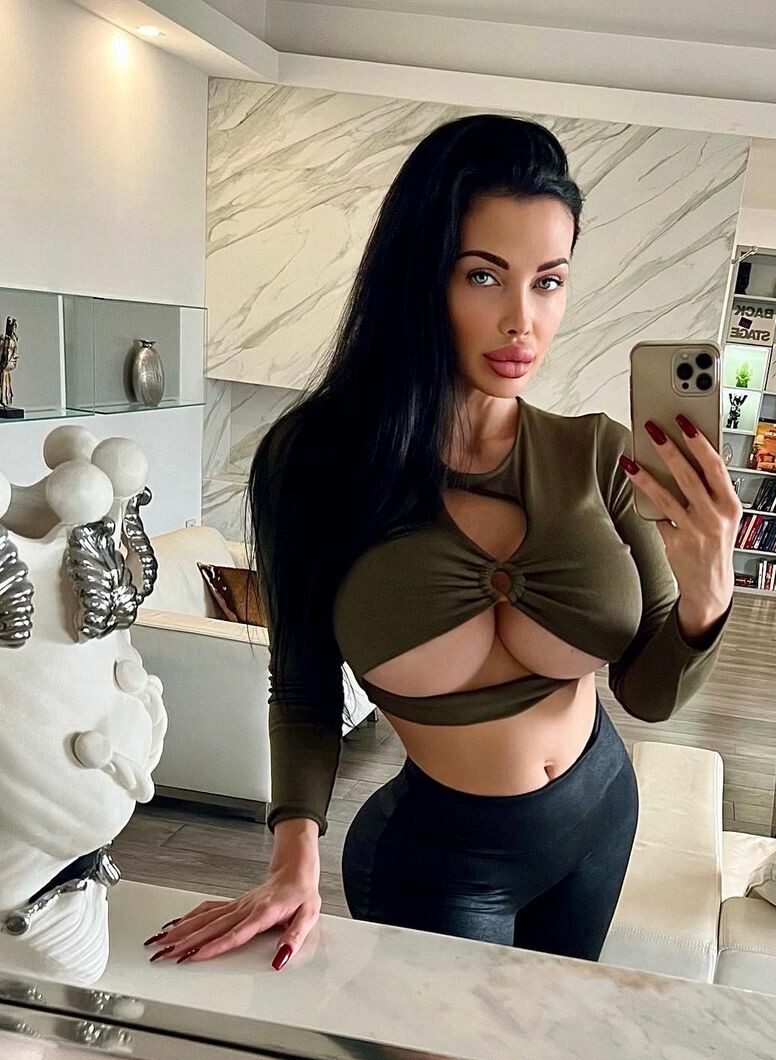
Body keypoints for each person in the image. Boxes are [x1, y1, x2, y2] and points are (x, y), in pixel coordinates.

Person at [148, 115, 739, 971]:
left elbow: (648, 697)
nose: (522, 322)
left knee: (548, 1035)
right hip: (440, 866)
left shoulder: (598, 454)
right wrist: (291, 859)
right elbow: (304, 687)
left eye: (548, 282)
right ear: (419, 277)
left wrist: (707, 592)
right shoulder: (313, 464)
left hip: (602, 815)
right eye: (484, 275)